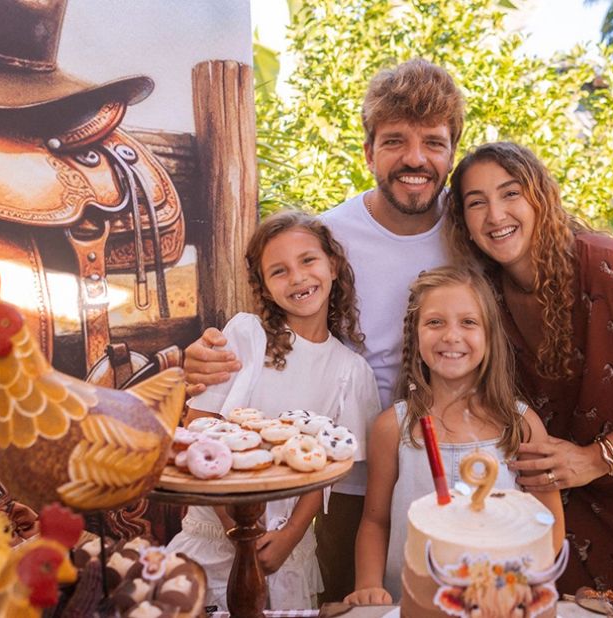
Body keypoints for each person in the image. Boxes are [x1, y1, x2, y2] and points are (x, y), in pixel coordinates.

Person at [183, 58, 465, 602]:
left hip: (444, 456)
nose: (415, 158)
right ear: (368, 152)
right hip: (348, 478)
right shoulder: (329, 237)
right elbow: (264, 330)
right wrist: (199, 357)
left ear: (452, 153)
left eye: (433, 141)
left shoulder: (472, 229)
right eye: (394, 141)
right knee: (351, 598)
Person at [447, 141, 613, 593]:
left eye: (511, 194)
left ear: (541, 198)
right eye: (477, 202)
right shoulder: (484, 293)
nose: (495, 215)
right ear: (464, 222)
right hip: (562, 507)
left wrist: (596, 458)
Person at [167, 209, 380, 609]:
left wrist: (291, 536)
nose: (298, 277)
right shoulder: (245, 337)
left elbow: (326, 472)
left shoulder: (351, 372)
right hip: (213, 535)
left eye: (308, 260)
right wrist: (238, 528)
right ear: (264, 287)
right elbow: (200, 433)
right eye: (279, 271)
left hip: (287, 549)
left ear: (332, 265)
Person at [344, 265, 565, 604]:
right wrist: (368, 585)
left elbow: (547, 522)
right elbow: (375, 523)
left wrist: (529, 587)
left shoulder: (521, 425)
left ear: (490, 336)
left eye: (468, 322)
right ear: (415, 336)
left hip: (499, 603)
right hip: (410, 602)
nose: (451, 336)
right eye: (435, 322)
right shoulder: (393, 428)